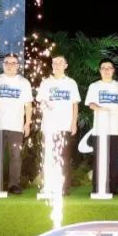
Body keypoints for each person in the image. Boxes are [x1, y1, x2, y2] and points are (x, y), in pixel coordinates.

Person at [0, 53, 33, 194]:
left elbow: (28, 105)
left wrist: (27, 123)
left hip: (16, 126)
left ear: (18, 66)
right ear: (3, 65)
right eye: (7, 63)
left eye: (13, 63)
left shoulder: (24, 82)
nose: (10, 66)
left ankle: (13, 185)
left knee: (15, 156)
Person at [35, 55, 80, 194]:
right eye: (55, 62)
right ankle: (49, 186)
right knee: (49, 156)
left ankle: (64, 187)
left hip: (65, 125)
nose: (57, 65)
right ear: (52, 65)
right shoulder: (46, 82)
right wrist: (46, 105)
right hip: (49, 126)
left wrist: (74, 122)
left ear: (65, 66)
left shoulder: (71, 83)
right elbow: (40, 101)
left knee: (64, 157)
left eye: (60, 62)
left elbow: (75, 104)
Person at [85, 59, 118, 195]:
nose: (106, 70)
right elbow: (91, 104)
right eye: (103, 68)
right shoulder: (94, 86)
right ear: (100, 71)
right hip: (99, 130)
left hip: (114, 129)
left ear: (113, 70)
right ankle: (97, 188)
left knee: (113, 160)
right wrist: (100, 108)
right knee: (99, 159)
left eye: (109, 68)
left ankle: (113, 188)